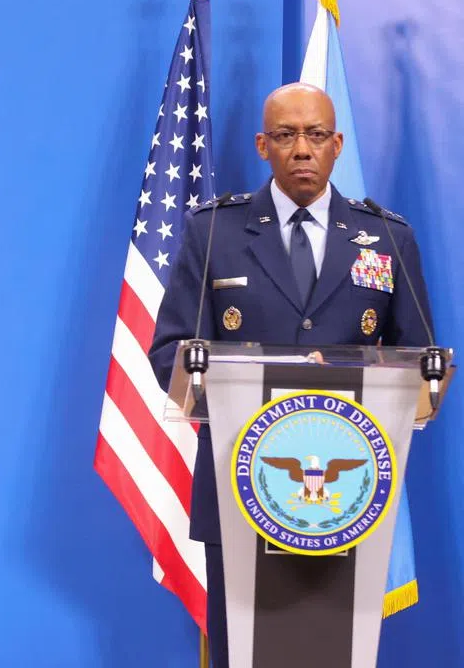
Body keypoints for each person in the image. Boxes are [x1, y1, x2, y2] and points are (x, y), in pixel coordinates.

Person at [148, 82, 432, 667]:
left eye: (316, 134)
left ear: (337, 145)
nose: (302, 148)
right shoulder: (214, 232)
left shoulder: (386, 238)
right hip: (239, 487)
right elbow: (168, 353)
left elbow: (420, 364)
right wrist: (254, 374)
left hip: (350, 499)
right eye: (286, 134)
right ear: (262, 145)